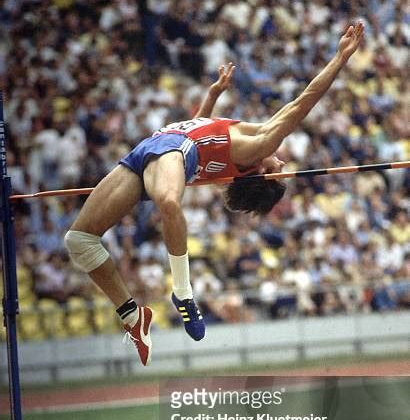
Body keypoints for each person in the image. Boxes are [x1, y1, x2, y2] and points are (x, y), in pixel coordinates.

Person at [64, 22, 365, 366]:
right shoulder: (246, 143)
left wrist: (340, 58)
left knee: (168, 202)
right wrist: (212, 96)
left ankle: (183, 295)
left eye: (279, 168)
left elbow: (302, 103)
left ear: (263, 174)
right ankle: (134, 316)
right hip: (154, 148)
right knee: (79, 240)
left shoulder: (262, 145)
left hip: (170, 150)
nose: (281, 159)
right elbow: (197, 127)